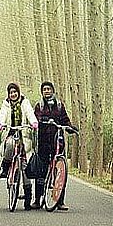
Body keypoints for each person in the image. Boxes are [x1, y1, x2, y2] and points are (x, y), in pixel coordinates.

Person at [32, 81, 77, 211]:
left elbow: (64, 119)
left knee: (60, 171)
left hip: (58, 140)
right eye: (44, 89)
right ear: (42, 92)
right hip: (44, 141)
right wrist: (41, 121)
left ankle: (60, 201)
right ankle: (37, 199)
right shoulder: (39, 106)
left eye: (49, 89)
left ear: (53, 90)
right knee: (42, 171)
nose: (47, 91)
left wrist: (70, 127)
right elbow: (36, 118)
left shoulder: (59, 105)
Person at [0, 82, 38, 211]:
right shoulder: (6, 104)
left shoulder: (25, 102)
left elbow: (30, 113)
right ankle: (6, 165)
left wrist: (33, 122)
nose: (13, 94)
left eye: (15, 92)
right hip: (10, 132)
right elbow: (2, 115)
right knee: (9, 144)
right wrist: (0, 124)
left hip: (24, 134)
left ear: (18, 92)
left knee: (25, 168)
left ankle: (28, 199)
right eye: (11, 92)